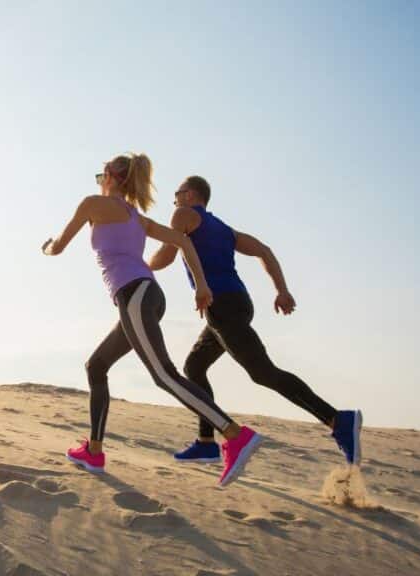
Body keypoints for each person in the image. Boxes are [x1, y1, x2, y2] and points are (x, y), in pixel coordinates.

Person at [42, 154, 264, 486]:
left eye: (100, 174)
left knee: (164, 375)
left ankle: (234, 435)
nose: (98, 180)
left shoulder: (93, 204)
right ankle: (94, 450)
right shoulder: (137, 218)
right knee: (97, 366)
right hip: (145, 297)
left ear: (112, 177)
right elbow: (183, 242)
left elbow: (58, 247)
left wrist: (47, 247)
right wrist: (201, 284)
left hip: (135, 296)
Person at [147, 175, 362, 466]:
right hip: (236, 304)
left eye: (176, 194)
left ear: (189, 194)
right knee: (194, 367)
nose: (174, 200)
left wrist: (141, 267)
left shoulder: (183, 214)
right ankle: (206, 442)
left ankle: (337, 419)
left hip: (221, 305)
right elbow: (264, 251)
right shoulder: (222, 228)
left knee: (263, 373)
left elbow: (168, 253)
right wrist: (281, 290)